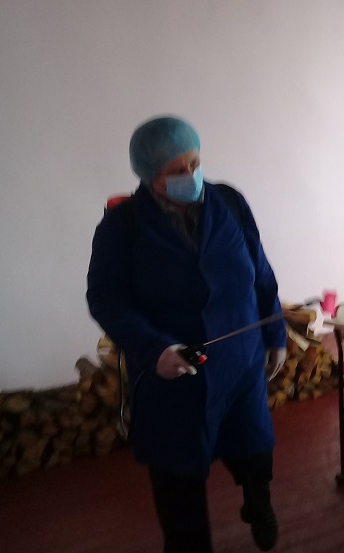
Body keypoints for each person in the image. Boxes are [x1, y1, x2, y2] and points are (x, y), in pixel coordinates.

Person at [86, 116, 287, 553]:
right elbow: (105, 300)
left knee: (253, 449)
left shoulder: (229, 202)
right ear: (148, 175)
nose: (191, 175)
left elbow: (261, 272)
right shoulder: (122, 228)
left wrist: (275, 333)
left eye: (194, 163)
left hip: (239, 361)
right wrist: (153, 348)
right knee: (179, 484)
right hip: (174, 372)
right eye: (176, 171)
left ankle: (258, 504)